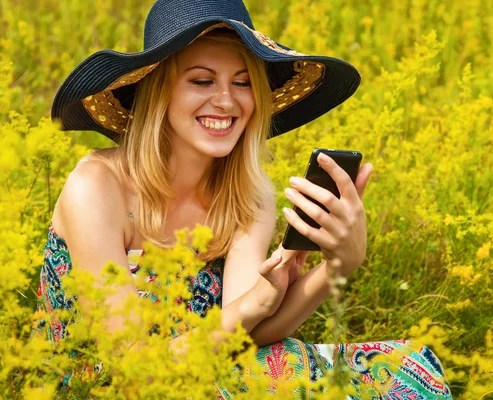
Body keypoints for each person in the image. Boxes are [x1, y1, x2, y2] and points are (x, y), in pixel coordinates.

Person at [37, 0, 453, 398]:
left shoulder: (246, 197)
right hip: (108, 386)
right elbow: (129, 368)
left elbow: (246, 339)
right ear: (157, 92)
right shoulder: (96, 186)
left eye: (243, 82)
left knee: (391, 370)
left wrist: (337, 266)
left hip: (207, 369)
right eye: (201, 80)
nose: (226, 100)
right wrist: (255, 303)